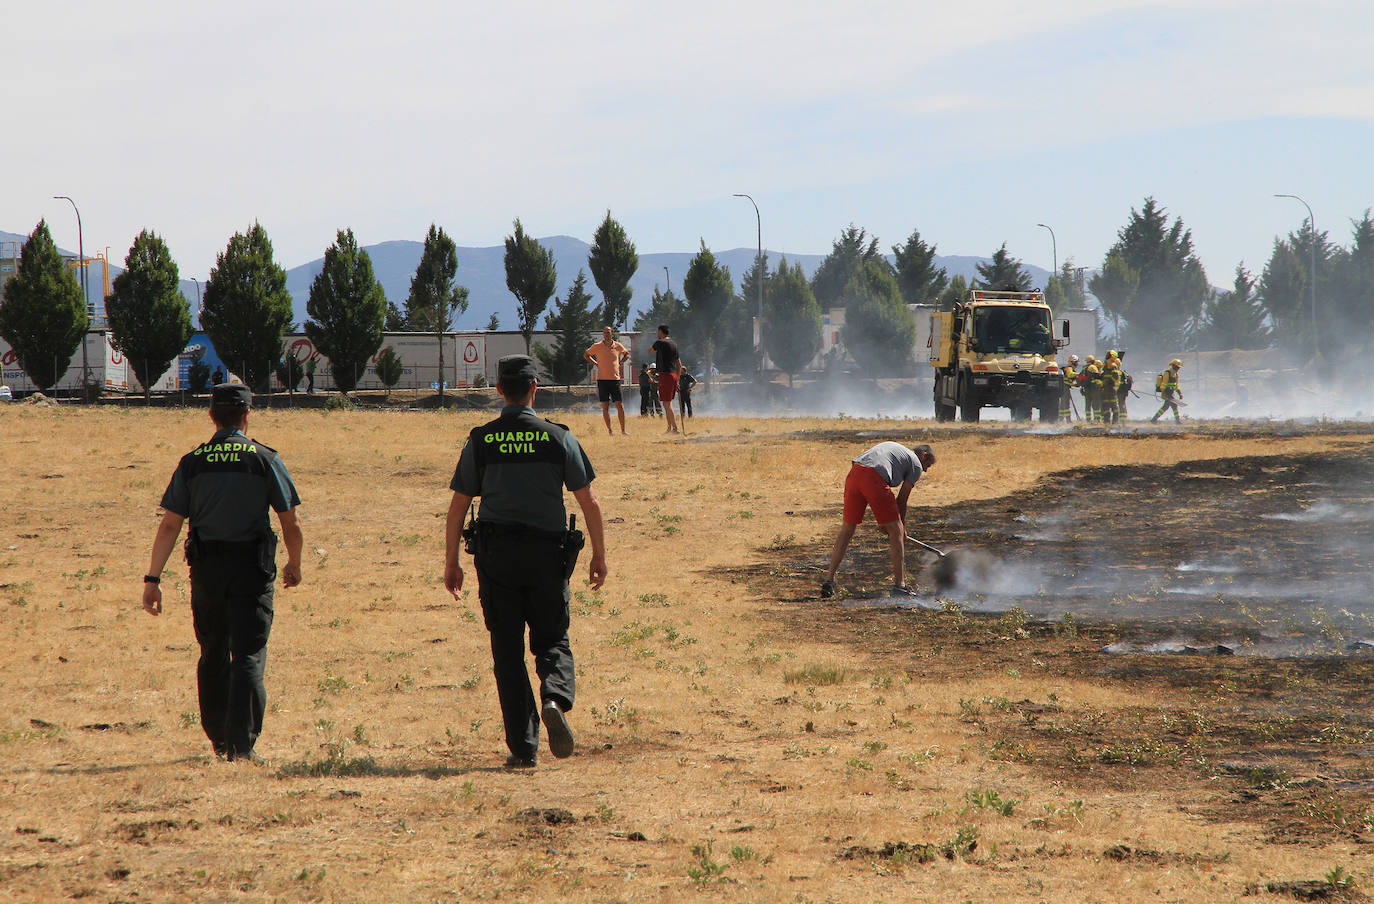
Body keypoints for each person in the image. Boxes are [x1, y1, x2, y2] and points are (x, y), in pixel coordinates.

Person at [444, 355, 607, 769]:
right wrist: (600, 556)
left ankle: (523, 748)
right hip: (547, 555)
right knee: (552, 638)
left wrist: (451, 562)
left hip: (497, 557)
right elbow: (588, 501)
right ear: (536, 388)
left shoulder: (482, 440)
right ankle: (554, 697)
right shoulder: (559, 438)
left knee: (507, 651)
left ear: (499, 390)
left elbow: (458, 506)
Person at [141, 383, 303, 763]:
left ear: (212, 415)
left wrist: (152, 579)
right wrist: (294, 563)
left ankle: (218, 740)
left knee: (213, 650)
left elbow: (169, 526)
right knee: (247, 652)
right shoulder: (263, 458)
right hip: (251, 568)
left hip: (207, 570)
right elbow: (290, 521)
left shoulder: (193, 461)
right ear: (247, 414)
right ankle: (243, 745)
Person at [820, 442, 936, 599]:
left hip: (855, 474)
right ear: (923, 456)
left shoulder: (895, 448)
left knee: (847, 529)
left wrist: (886, 523)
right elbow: (901, 500)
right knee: (896, 530)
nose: (925, 470)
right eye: (927, 465)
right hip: (874, 478)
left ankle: (829, 580)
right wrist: (901, 528)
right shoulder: (915, 463)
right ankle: (900, 586)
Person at [584, 326, 631, 436]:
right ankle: (610, 430)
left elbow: (627, 354)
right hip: (602, 380)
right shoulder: (597, 346)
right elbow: (586, 355)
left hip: (615, 380)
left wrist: (621, 362)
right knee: (605, 406)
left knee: (620, 405)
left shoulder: (618, 346)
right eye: (605, 333)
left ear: (612, 334)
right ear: (603, 334)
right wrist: (595, 363)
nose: (606, 334)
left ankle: (623, 430)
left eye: (608, 332)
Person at [650, 325, 683, 435]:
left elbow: (650, 350)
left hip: (665, 375)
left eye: (657, 331)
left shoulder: (660, 342)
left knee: (667, 404)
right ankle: (669, 428)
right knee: (666, 403)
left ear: (660, 331)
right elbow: (679, 364)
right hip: (673, 375)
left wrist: (657, 344)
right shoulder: (674, 344)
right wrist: (677, 379)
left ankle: (675, 428)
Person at [1151, 358, 1184, 423]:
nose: (1178, 369)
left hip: (1171, 392)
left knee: (1165, 407)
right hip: (1167, 392)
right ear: (1173, 366)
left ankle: (1154, 419)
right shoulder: (1167, 373)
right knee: (1174, 405)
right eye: (1177, 367)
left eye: (1179, 368)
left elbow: (1176, 386)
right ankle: (1177, 421)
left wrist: (1180, 393)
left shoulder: (1176, 375)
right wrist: (1163, 394)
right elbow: (1163, 385)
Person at [1099, 358, 1122, 425]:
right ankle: (1115, 422)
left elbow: (1102, 379)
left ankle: (1106, 422)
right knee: (1114, 407)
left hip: (1105, 391)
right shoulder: (1116, 371)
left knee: (1106, 407)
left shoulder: (1104, 371)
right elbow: (1115, 379)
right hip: (1112, 390)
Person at [1060, 354, 1079, 421]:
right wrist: (1079, 374)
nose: (1077, 364)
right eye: (1077, 362)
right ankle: (1068, 420)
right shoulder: (1069, 368)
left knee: (1063, 405)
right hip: (1065, 388)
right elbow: (1070, 375)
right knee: (1066, 404)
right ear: (1073, 362)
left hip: (1065, 387)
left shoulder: (1070, 369)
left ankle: (1060, 419)